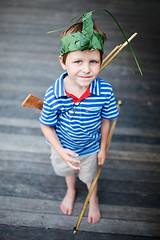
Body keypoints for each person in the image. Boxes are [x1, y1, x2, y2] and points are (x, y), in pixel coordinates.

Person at [39, 11, 119, 224]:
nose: (86, 69)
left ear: (102, 60)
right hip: (63, 147)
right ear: (63, 62)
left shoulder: (104, 91)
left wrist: (102, 148)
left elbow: (106, 119)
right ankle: (70, 190)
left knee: (91, 176)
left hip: (91, 148)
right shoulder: (54, 93)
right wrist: (61, 151)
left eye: (93, 61)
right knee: (67, 170)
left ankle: (93, 197)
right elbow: (46, 125)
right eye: (78, 62)